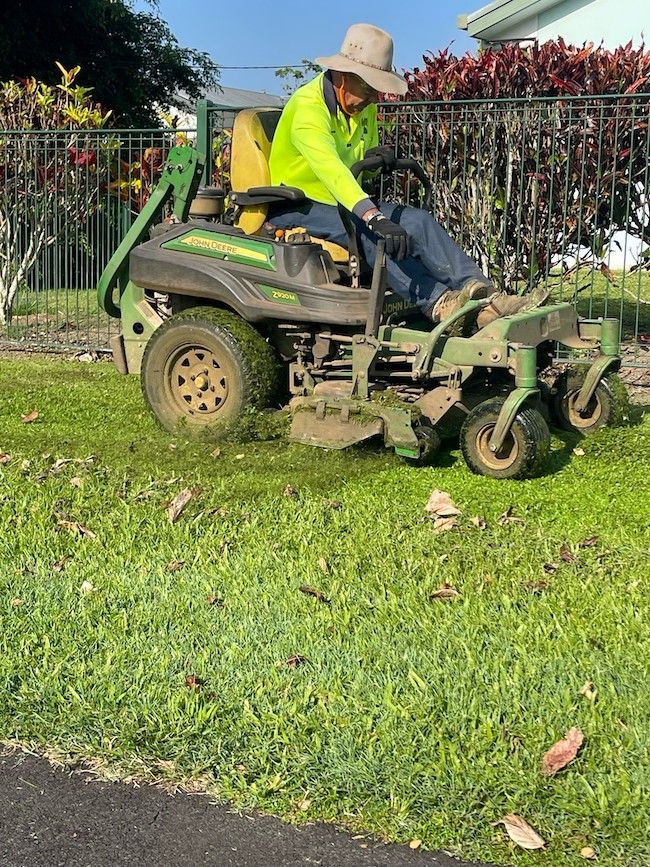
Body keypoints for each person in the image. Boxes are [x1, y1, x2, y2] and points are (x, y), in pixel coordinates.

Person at [267, 23, 546, 327]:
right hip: (298, 206)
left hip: (340, 203)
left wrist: (377, 157)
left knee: (419, 221)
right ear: (344, 76)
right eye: (369, 89)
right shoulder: (307, 108)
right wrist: (374, 217)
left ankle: (486, 297)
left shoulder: (359, 106)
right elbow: (331, 170)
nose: (374, 98)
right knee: (373, 233)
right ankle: (440, 304)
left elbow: (358, 159)